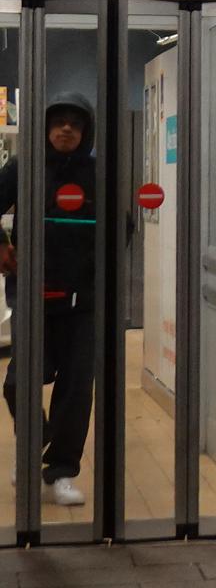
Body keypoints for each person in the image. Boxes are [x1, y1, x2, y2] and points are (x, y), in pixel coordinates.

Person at [0, 99, 101, 506]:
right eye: (58, 123)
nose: (65, 130)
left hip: (83, 300)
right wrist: (2, 246)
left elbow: (121, 224)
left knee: (76, 388)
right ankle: (36, 441)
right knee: (19, 382)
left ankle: (60, 471)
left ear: (85, 132)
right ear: (45, 128)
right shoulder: (23, 168)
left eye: (74, 125)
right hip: (32, 294)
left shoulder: (98, 173)